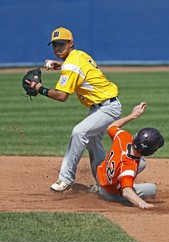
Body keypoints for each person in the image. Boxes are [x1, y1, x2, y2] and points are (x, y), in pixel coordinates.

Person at [26, 26, 122, 192]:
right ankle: (104, 184)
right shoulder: (79, 54)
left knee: (79, 132)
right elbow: (77, 66)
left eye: (61, 44)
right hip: (102, 106)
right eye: (55, 45)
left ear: (71, 43)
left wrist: (38, 88)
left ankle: (65, 179)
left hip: (108, 108)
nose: (57, 48)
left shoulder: (71, 65)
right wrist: (61, 65)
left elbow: (61, 96)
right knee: (92, 142)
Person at [96, 102, 164, 209]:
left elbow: (111, 127)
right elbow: (126, 191)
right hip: (109, 192)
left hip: (101, 173)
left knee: (141, 163)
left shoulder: (124, 137)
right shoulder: (128, 167)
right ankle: (105, 192)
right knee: (152, 189)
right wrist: (141, 203)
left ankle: (100, 186)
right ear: (150, 152)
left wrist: (133, 115)